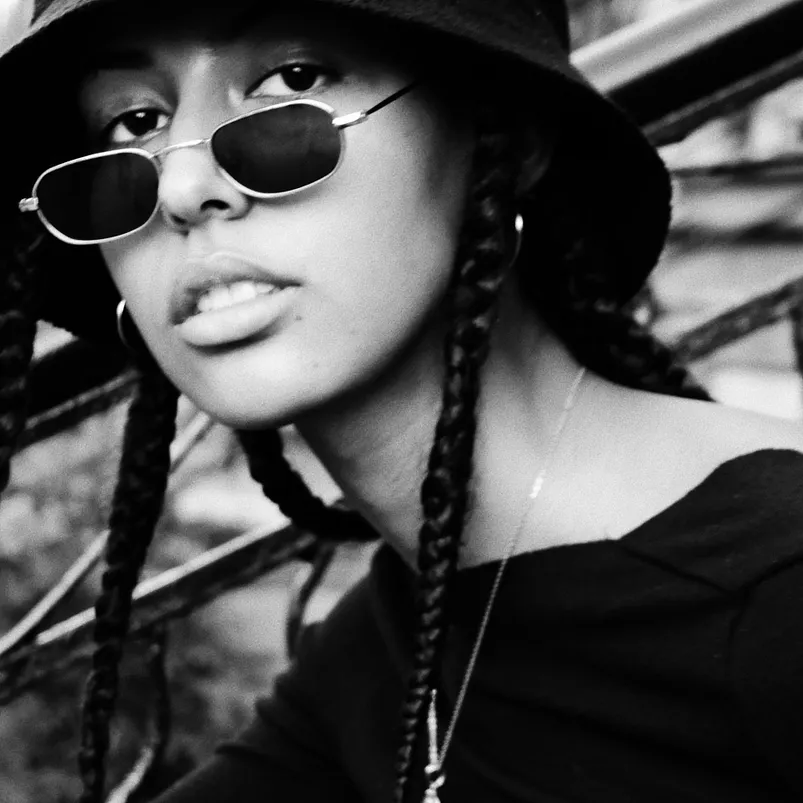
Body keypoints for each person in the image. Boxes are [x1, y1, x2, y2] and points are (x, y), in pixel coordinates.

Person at [2, 0, 803, 801]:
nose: (179, 186)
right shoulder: (389, 655)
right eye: (132, 120)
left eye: (292, 79)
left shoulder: (772, 593)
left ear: (510, 138)